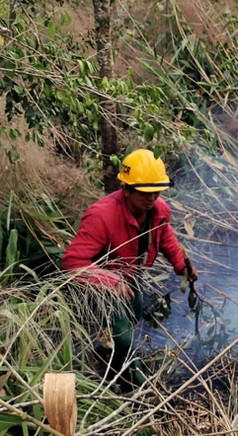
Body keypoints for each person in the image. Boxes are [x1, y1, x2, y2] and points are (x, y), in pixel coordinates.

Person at [62, 149, 198, 388]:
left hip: (131, 277)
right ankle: (128, 383)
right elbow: (73, 262)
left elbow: (164, 234)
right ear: (126, 189)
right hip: (99, 284)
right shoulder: (101, 216)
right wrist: (111, 281)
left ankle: (107, 352)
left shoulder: (159, 210)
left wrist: (181, 265)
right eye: (145, 193)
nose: (151, 198)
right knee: (122, 335)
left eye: (156, 192)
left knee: (133, 317)